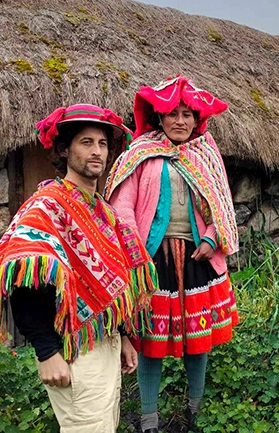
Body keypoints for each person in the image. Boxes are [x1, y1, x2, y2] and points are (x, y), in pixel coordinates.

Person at [0, 104, 158, 433]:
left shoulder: (103, 212)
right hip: (70, 350)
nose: (97, 151)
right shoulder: (47, 207)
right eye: (86, 142)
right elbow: (22, 282)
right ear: (64, 150)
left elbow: (113, 283)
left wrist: (124, 336)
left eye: (102, 144)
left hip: (104, 343)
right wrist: (47, 352)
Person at [104, 76, 239, 433]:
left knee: (198, 341)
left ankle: (196, 411)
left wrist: (211, 238)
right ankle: (149, 417)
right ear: (159, 118)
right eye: (172, 114)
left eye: (186, 115)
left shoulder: (206, 154)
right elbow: (123, 205)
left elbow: (222, 204)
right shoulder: (140, 154)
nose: (180, 121)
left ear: (197, 120)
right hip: (153, 261)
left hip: (198, 258)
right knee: (150, 340)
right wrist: (137, 254)